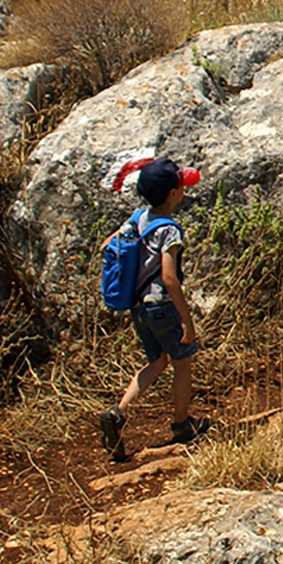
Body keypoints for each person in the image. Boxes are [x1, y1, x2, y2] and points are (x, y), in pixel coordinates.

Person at [97, 158, 208, 462]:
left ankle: (118, 412)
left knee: (156, 362)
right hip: (161, 305)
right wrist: (187, 319)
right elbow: (170, 278)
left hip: (138, 306)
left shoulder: (137, 218)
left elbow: (109, 244)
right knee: (182, 362)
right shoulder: (170, 231)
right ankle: (182, 424)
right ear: (174, 194)